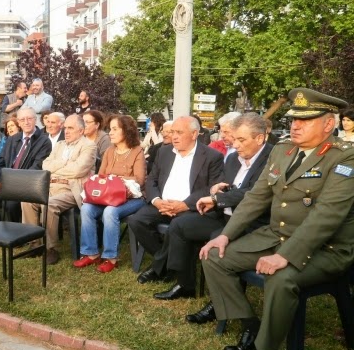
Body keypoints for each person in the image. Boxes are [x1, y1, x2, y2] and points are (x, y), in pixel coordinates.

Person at [197, 88, 354, 350]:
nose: (295, 125)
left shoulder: (345, 157)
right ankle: (250, 325)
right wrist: (226, 236)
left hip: (326, 248)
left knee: (281, 278)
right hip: (277, 235)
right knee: (214, 256)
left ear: (328, 124)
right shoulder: (282, 151)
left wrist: (285, 256)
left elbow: (327, 216)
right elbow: (256, 198)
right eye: (294, 119)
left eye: (305, 120)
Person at [152, 113, 272, 300]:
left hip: (250, 223)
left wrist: (218, 199)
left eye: (241, 140)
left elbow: (254, 193)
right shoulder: (233, 158)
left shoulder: (272, 159)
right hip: (223, 215)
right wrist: (216, 191)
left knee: (216, 244)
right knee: (180, 225)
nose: (235, 145)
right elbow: (225, 185)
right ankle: (184, 283)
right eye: (234, 139)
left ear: (259, 138)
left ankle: (218, 304)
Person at [127, 116, 224, 282]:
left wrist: (184, 205)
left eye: (179, 132)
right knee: (136, 221)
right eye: (172, 132)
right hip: (162, 204)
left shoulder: (212, 156)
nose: (174, 137)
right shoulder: (164, 152)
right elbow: (152, 180)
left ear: (194, 134)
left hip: (190, 208)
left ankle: (158, 267)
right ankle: (165, 262)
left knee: (178, 226)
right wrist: (157, 201)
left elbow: (212, 187)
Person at [73, 115, 146, 273]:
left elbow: (139, 180)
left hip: (131, 198)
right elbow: (101, 176)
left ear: (126, 131)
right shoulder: (109, 151)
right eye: (110, 129)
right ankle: (91, 253)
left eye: (114, 129)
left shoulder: (137, 151)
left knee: (110, 212)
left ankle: (111, 258)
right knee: (86, 209)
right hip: (108, 196)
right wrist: (111, 180)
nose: (110, 133)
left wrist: (114, 179)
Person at [21, 114, 96, 265]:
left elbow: (78, 170)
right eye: (65, 127)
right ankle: (35, 244)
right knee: (27, 200)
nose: (66, 131)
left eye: (70, 128)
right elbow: (45, 165)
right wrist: (65, 162)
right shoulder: (60, 144)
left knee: (49, 204)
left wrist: (57, 168)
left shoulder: (89, 146)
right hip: (50, 185)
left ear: (81, 131)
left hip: (71, 189)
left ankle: (51, 249)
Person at [0, 107, 51, 224]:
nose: (26, 122)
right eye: (22, 120)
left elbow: (37, 167)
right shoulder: (12, 139)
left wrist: (12, 183)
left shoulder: (44, 141)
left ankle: (16, 231)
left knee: (11, 205)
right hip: (6, 183)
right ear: (19, 123)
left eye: (29, 119)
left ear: (35, 120)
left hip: (26, 185)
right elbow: (1, 162)